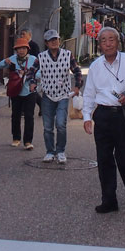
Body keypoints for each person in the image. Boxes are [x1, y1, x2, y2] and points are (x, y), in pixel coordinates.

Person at [82, 27, 125, 213]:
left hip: (124, 115)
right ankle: (109, 200)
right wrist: (87, 117)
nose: (108, 43)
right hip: (102, 115)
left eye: (111, 39)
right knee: (104, 159)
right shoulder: (95, 66)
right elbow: (89, 93)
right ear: (99, 44)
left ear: (118, 42)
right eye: (104, 40)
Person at [38, 29, 83, 164]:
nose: (54, 42)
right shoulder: (41, 57)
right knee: (47, 126)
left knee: (61, 124)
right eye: (51, 40)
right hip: (47, 95)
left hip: (63, 94)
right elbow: (32, 72)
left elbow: (77, 70)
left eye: (56, 39)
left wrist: (77, 86)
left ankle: (61, 151)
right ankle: (50, 152)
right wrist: (33, 83)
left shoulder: (67, 55)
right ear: (46, 43)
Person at [0, 37, 39, 150]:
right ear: (16, 50)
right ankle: (16, 138)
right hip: (16, 91)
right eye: (19, 48)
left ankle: (28, 141)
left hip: (30, 91)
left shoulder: (34, 59)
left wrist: (28, 74)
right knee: (15, 115)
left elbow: (40, 73)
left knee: (29, 116)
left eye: (23, 48)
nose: (21, 50)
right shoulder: (13, 59)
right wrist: (5, 62)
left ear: (27, 49)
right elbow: (0, 65)